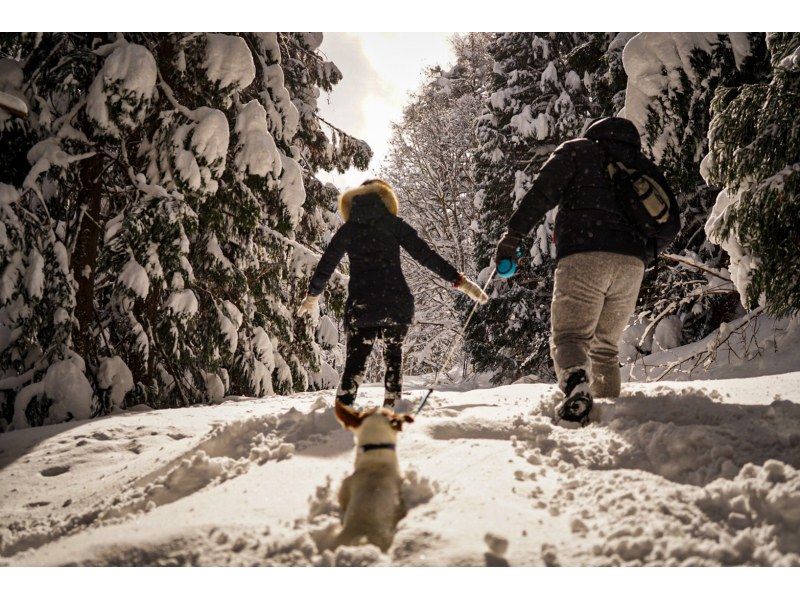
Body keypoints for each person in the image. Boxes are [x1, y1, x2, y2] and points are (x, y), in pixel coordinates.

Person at [494, 117, 679, 424]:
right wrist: (640, 254)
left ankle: (578, 388)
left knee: (570, 337)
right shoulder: (642, 166)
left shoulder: (578, 151)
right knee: (605, 349)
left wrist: (512, 236)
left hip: (584, 255)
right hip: (631, 266)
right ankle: (606, 415)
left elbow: (541, 194)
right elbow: (671, 225)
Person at [299, 179, 488, 408]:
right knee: (393, 357)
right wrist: (460, 281)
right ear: (384, 198)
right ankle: (392, 405)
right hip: (394, 302)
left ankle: (343, 408)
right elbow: (425, 255)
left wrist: (313, 295)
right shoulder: (393, 224)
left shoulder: (348, 230)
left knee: (355, 362)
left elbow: (327, 264)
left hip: (362, 305)